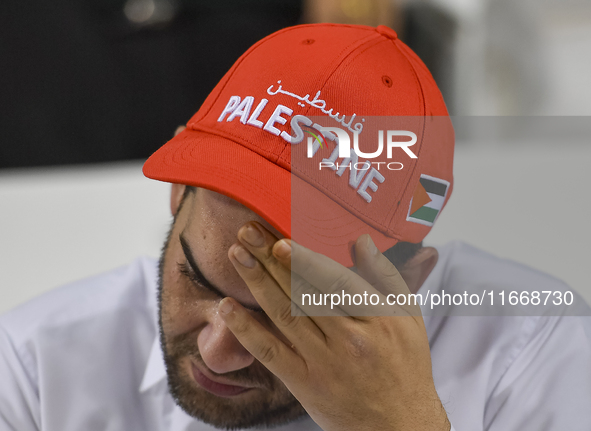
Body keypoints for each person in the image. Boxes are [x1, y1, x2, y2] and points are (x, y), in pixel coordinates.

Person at [1, 24, 590, 431]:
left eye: (280, 309)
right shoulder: (37, 369)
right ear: (178, 193)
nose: (219, 352)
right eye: (198, 281)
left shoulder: (532, 355)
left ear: (403, 282)